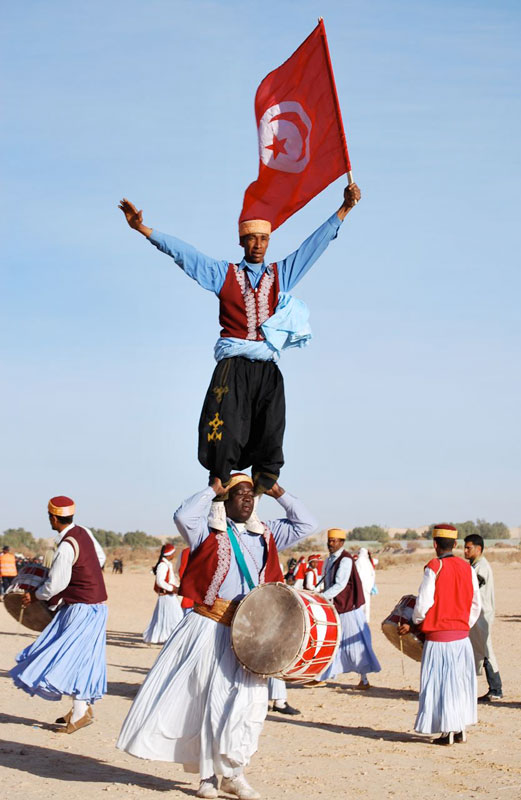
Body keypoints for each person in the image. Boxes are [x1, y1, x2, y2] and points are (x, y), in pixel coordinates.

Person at [118, 184, 360, 493]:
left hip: (266, 366)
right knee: (225, 423)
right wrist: (143, 229)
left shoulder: (281, 274)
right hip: (233, 364)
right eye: (252, 239)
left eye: (263, 239)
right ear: (241, 242)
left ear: (268, 242)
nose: (258, 245)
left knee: (272, 424)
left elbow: (313, 246)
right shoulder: (223, 274)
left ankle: (263, 482)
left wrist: (344, 209)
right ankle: (219, 479)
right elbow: (184, 254)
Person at [117, 473, 317, 800]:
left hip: (252, 635)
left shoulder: (266, 532)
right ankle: (209, 777)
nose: (248, 499)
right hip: (210, 627)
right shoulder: (207, 532)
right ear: (226, 498)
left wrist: (277, 490)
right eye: (239, 493)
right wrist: (213, 488)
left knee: (249, 705)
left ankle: (235, 773)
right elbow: (183, 515)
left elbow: (307, 524)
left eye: (252, 493)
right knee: (211, 704)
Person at [10, 496, 108, 733]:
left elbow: (54, 586)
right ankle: (81, 709)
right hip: (96, 605)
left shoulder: (66, 547)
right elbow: (101, 558)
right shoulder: (83, 532)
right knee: (83, 658)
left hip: (81, 608)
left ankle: (81, 711)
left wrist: (34, 595)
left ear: (53, 517)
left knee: (65, 657)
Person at [399, 524, 481, 745]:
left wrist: (416, 622)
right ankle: (459, 729)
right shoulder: (468, 569)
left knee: (441, 684)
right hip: (462, 638)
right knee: (459, 684)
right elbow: (476, 604)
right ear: (455, 544)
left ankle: (447, 732)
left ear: (435, 544)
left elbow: (423, 603)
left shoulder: (434, 567)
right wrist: (463, 625)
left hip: (439, 639)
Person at [318, 529, 380, 689]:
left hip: (348, 609)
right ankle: (321, 676)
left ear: (341, 542)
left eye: (334, 541)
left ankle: (364, 680)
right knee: (330, 643)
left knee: (356, 645)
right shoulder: (329, 560)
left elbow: (340, 584)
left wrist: (322, 597)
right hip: (335, 607)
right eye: (329, 540)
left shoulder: (345, 560)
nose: (330, 544)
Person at [464, 534, 503, 702]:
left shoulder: (482, 567)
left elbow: (470, 587)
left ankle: (496, 689)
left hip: (482, 614)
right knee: (478, 650)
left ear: (478, 549)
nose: (465, 551)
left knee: (486, 651)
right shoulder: (474, 566)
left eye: (468, 548)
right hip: (475, 614)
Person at [143, 543, 183, 644]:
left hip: (170, 595)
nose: (174, 555)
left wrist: (176, 588)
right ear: (169, 554)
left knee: (168, 617)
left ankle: (168, 637)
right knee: (176, 616)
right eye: (173, 553)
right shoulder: (163, 565)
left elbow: (170, 579)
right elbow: (160, 581)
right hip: (166, 595)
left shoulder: (167, 564)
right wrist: (172, 588)